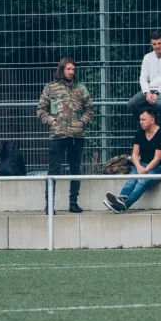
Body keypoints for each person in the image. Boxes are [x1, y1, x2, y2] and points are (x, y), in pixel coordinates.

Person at [37, 57, 94, 214]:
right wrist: (52, 121)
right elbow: (41, 110)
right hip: (57, 135)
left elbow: (90, 109)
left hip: (77, 135)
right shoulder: (50, 88)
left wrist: (82, 122)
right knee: (53, 170)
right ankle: (49, 205)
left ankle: (73, 203)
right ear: (61, 69)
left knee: (75, 169)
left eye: (73, 69)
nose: (71, 72)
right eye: (68, 69)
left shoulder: (81, 88)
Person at [103, 107, 161, 213]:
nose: (141, 122)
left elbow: (157, 159)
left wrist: (145, 170)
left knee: (142, 182)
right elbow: (134, 154)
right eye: (140, 120)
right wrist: (139, 167)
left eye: (143, 120)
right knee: (131, 181)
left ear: (152, 120)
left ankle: (123, 206)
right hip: (141, 165)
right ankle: (119, 201)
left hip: (158, 168)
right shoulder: (140, 133)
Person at [127, 31, 161, 134]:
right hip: (150, 90)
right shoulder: (147, 57)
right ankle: (146, 125)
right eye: (154, 44)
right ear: (151, 44)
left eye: (159, 43)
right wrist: (147, 92)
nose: (157, 46)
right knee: (131, 104)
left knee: (158, 103)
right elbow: (143, 78)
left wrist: (157, 93)